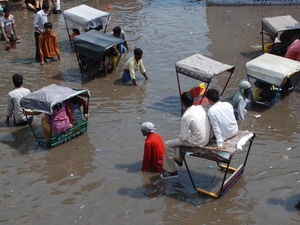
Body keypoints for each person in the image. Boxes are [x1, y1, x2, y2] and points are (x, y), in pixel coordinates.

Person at [160, 92, 211, 179]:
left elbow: (183, 138)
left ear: (182, 103)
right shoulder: (200, 107)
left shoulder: (185, 116)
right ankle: (178, 159)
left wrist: (183, 135)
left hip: (198, 141)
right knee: (182, 137)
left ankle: (172, 171)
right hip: (207, 136)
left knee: (169, 144)